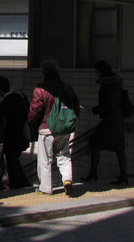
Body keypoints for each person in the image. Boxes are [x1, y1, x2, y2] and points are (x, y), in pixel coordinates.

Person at [28, 59, 80, 196]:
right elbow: (75, 106)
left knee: (45, 160)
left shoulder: (40, 89)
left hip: (47, 129)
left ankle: (45, 188)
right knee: (64, 156)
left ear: (44, 72)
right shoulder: (66, 86)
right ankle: (67, 180)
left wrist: (31, 121)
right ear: (57, 71)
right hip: (64, 129)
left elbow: (35, 110)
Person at [82, 60, 128, 185]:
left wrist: (94, 110)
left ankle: (93, 173)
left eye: (97, 72)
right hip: (119, 117)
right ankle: (123, 175)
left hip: (110, 119)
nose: (96, 74)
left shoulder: (106, 86)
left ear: (101, 72)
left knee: (94, 142)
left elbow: (108, 104)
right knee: (119, 146)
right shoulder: (117, 83)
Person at [0, 76, 31, 189]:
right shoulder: (19, 97)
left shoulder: (4, 103)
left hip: (10, 138)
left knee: (11, 162)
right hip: (22, 136)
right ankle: (24, 183)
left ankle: (17, 186)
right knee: (15, 161)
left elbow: (4, 123)